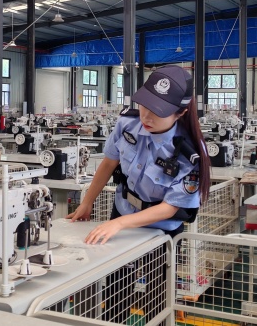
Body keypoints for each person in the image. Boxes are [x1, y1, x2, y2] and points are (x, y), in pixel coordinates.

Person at [67, 65, 211, 244]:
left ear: (180, 113)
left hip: (160, 230)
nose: (146, 117)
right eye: (144, 105)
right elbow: (109, 163)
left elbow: (170, 207)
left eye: (158, 111)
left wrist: (119, 223)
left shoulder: (191, 152)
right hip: (122, 211)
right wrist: (87, 202)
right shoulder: (127, 125)